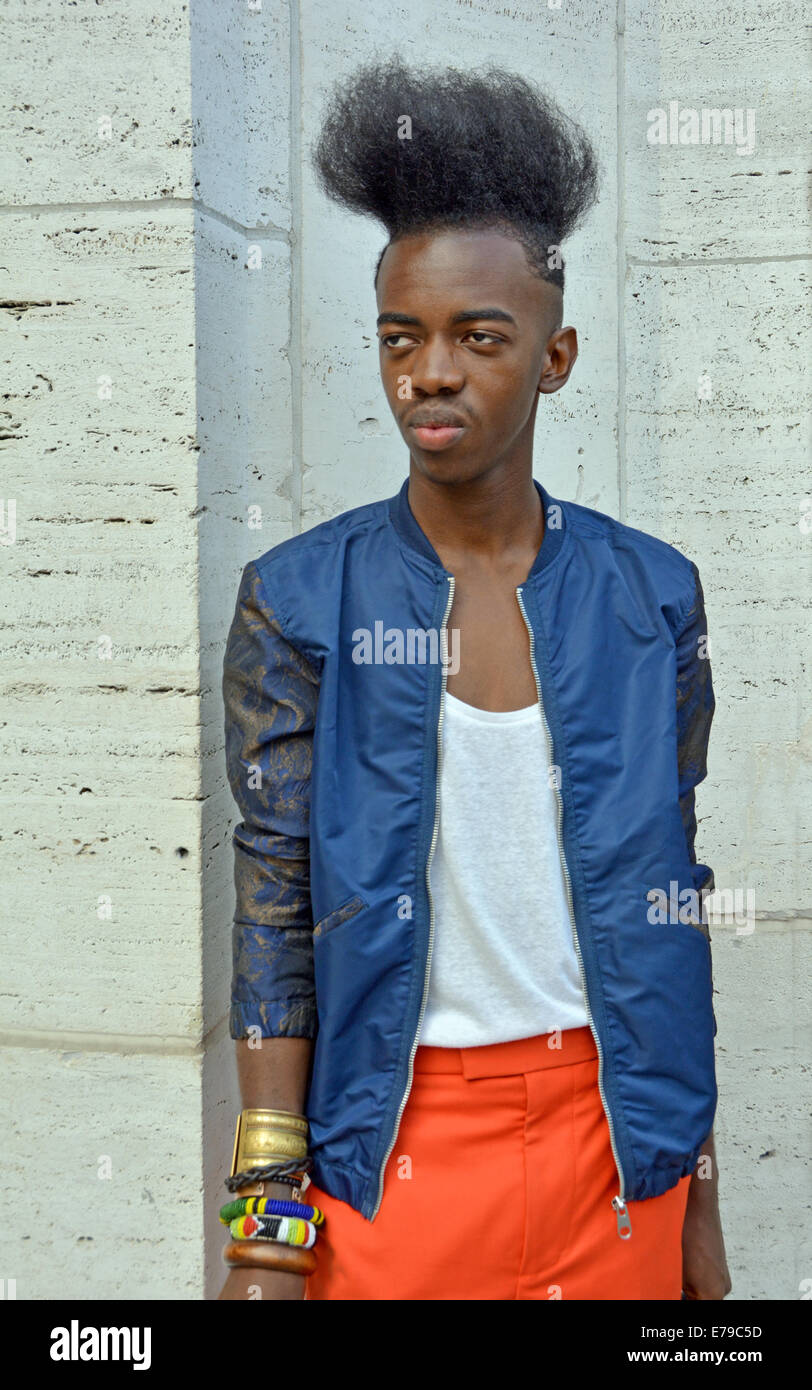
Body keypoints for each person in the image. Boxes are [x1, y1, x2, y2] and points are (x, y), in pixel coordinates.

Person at [217, 57, 731, 1301]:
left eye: (474, 337)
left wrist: (694, 1202)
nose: (429, 372)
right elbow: (274, 909)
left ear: (552, 359)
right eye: (402, 336)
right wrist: (263, 1228)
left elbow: (671, 892)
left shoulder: (650, 594)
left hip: (610, 1151)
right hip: (391, 1146)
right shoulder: (299, 598)